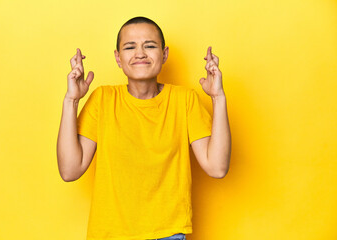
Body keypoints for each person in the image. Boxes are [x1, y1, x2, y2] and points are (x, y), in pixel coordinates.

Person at [57, 16, 231, 240]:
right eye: (130, 47)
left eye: (149, 45)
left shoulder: (184, 100)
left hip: (167, 234)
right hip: (110, 235)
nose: (140, 53)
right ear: (118, 58)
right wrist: (71, 100)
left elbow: (217, 168)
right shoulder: (102, 100)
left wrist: (218, 97)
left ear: (164, 54)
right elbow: (70, 170)